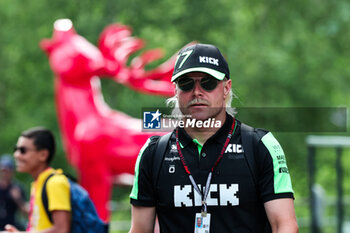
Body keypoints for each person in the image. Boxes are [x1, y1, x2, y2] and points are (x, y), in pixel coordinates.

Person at [129, 43, 299, 233]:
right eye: (186, 83)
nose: (196, 92)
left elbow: (284, 225)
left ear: (226, 88)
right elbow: (140, 230)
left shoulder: (260, 145)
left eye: (208, 82)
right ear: (175, 91)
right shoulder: (153, 152)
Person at [3, 127, 71, 233]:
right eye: (16, 149)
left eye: (23, 150)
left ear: (43, 155)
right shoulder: (38, 183)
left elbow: (61, 229)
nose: (16, 155)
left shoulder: (55, 183)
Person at [0, 155, 28, 231]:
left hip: (11, 226)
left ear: (12, 172)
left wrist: (18, 199)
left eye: (7, 171)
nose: (5, 174)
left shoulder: (17, 187)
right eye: (3, 171)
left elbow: (26, 213)